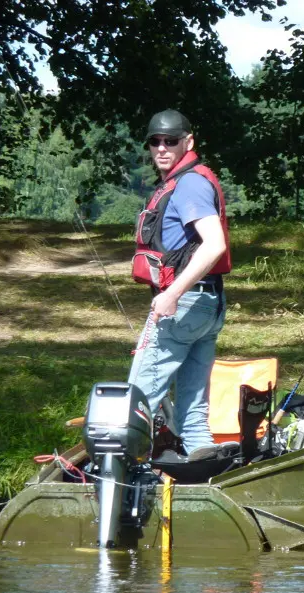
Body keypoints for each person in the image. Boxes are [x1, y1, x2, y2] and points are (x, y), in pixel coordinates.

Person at [128, 108, 231, 455]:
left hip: (184, 306)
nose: (161, 148)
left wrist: (172, 293)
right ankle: (201, 467)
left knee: (136, 399)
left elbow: (214, 244)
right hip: (208, 306)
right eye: (154, 141)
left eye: (170, 141)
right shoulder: (190, 180)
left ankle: (117, 478)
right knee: (193, 406)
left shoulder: (188, 184)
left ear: (188, 141)